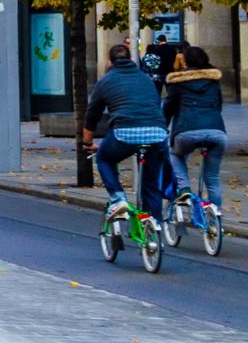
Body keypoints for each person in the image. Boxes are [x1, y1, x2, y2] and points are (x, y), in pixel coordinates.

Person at [83, 43, 170, 220]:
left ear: (109, 62)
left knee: (104, 158)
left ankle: (118, 198)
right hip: (157, 133)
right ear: (131, 59)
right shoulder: (146, 78)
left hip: (125, 132)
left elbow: (92, 115)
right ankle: (153, 231)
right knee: (151, 185)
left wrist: (87, 143)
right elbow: (156, 104)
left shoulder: (106, 81)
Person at [164, 45, 228, 219]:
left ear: (185, 61)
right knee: (213, 178)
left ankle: (184, 189)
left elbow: (168, 108)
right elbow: (219, 105)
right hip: (216, 131)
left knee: (175, 155)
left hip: (187, 131)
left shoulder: (178, 82)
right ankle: (215, 220)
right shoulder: (213, 81)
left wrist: (163, 126)